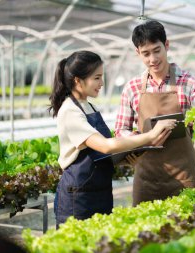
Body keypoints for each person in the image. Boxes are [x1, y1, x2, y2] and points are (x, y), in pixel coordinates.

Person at [49, 51, 176, 227]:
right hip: (78, 196)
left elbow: (97, 153)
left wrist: (124, 160)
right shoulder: (70, 110)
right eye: (97, 78)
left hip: (98, 191)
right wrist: (150, 136)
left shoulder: (88, 106)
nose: (102, 83)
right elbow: (106, 146)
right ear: (78, 80)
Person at [114, 20, 195, 206]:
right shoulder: (132, 88)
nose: (152, 59)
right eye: (145, 54)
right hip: (146, 176)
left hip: (183, 176)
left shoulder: (189, 84)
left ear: (166, 45)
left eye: (156, 50)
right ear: (137, 53)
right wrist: (136, 142)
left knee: (186, 230)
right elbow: (121, 129)